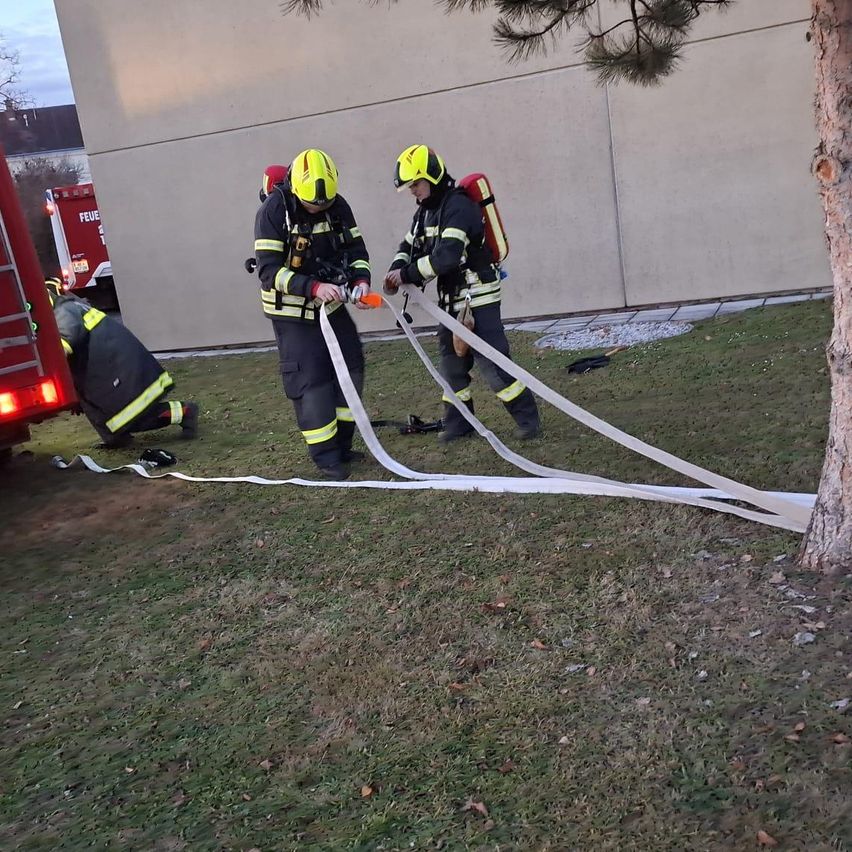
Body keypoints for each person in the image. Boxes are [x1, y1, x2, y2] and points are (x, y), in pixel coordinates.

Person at [384, 144, 540, 442]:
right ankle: (459, 423)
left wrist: (405, 274)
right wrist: (396, 270)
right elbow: (408, 247)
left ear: (430, 176)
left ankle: (528, 421)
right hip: (451, 299)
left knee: (494, 363)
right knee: (451, 363)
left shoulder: (459, 207)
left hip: (477, 296)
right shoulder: (425, 214)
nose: (412, 192)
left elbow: (447, 257)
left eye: (415, 184)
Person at [253, 148, 372, 480]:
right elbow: (269, 272)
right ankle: (326, 457)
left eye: (324, 205)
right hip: (293, 314)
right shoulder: (273, 212)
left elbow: (355, 249)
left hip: (331, 308)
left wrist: (360, 280)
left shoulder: (337, 205)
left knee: (351, 368)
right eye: (312, 206)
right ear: (295, 188)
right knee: (313, 380)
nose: (319, 210)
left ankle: (344, 445)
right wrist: (313, 288)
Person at [47, 278, 198, 448]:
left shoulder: (63, 310)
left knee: (132, 417)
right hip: (101, 368)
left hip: (113, 365)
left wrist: (48, 367)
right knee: (96, 409)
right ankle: (115, 440)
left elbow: (66, 340)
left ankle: (185, 411)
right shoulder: (66, 307)